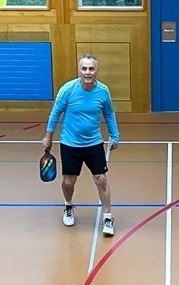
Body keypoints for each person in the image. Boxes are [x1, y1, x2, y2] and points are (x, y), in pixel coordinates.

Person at [41, 53, 120, 237]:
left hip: (94, 143)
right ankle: (68, 206)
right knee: (69, 181)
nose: (87, 72)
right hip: (70, 143)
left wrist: (114, 136)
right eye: (84, 68)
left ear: (96, 71)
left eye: (91, 69)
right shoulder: (68, 89)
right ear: (79, 70)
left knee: (101, 179)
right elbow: (55, 113)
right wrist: (48, 137)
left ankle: (107, 217)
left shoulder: (103, 91)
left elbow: (109, 114)